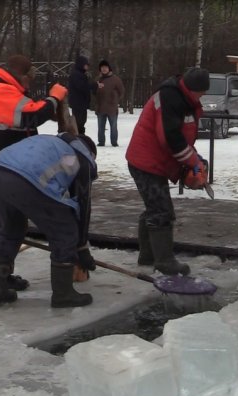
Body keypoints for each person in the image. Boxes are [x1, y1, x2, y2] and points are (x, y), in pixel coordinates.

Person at [0, 55, 67, 295]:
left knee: (6, 222)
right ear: (21, 75)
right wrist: (54, 97)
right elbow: (31, 116)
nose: (30, 84)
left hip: (0, 170)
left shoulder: (0, 91)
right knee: (7, 223)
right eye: (29, 78)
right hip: (2, 171)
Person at [0, 133, 98, 307]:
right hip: (26, 178)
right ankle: (63, 294)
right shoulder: (82, 158)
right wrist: (81, 247)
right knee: (65, 230)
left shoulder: (48, 142)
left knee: (11, 228)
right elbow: (83, 203)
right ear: (91, 152)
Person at [125, 67, 210, 276]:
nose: (203, 97)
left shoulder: (182, 99)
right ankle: (164, 261)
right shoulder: (170, 99)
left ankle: (148, 256)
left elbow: (183, 138)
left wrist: (196, 160)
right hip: (146, 163)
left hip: (153, 161)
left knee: (155, 207)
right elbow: (171, 140)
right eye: (202, 93)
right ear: (194, 90)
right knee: (161, 211)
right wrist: (192, 163)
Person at [95, 59, 125, 147]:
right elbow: (93, 91)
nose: (104, 69)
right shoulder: (98, 79)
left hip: (112, 107)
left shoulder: (116, 79)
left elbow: (122, 91)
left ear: (109, 69)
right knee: (100, 127)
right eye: (102, 68)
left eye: (105, 67)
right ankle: (101, 142)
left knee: (113, 126)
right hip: (100, 107)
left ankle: (114, 142)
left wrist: (115, 100)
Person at [68, 55, 97, 135]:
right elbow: (82, 86)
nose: (87, 67)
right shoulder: (77, 74)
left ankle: (80, 134)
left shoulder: (80, 74)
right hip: (78, 103)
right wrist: (93, 85)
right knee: (79, 121)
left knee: (81, 121)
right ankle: (79, 135)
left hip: (80, 103)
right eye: (86, 65)